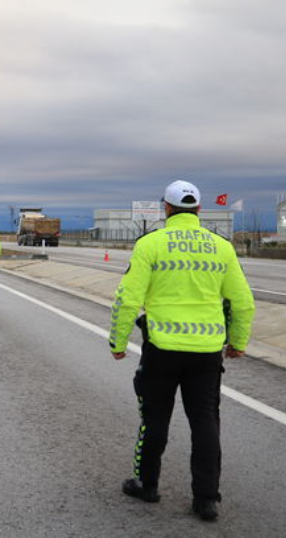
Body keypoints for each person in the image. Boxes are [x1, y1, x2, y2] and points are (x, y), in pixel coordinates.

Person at [109, 180, 255, 522]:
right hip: (206, 352)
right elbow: (243, 302)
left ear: (167, 208)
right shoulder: (221, 247)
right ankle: (206, 499)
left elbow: (127, 298)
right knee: (205, 421)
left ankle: (147, 484)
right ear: (199, 210)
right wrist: (238, 342)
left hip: (161, 349)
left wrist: (117, 342)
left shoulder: (150, 244)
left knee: (155, 418)